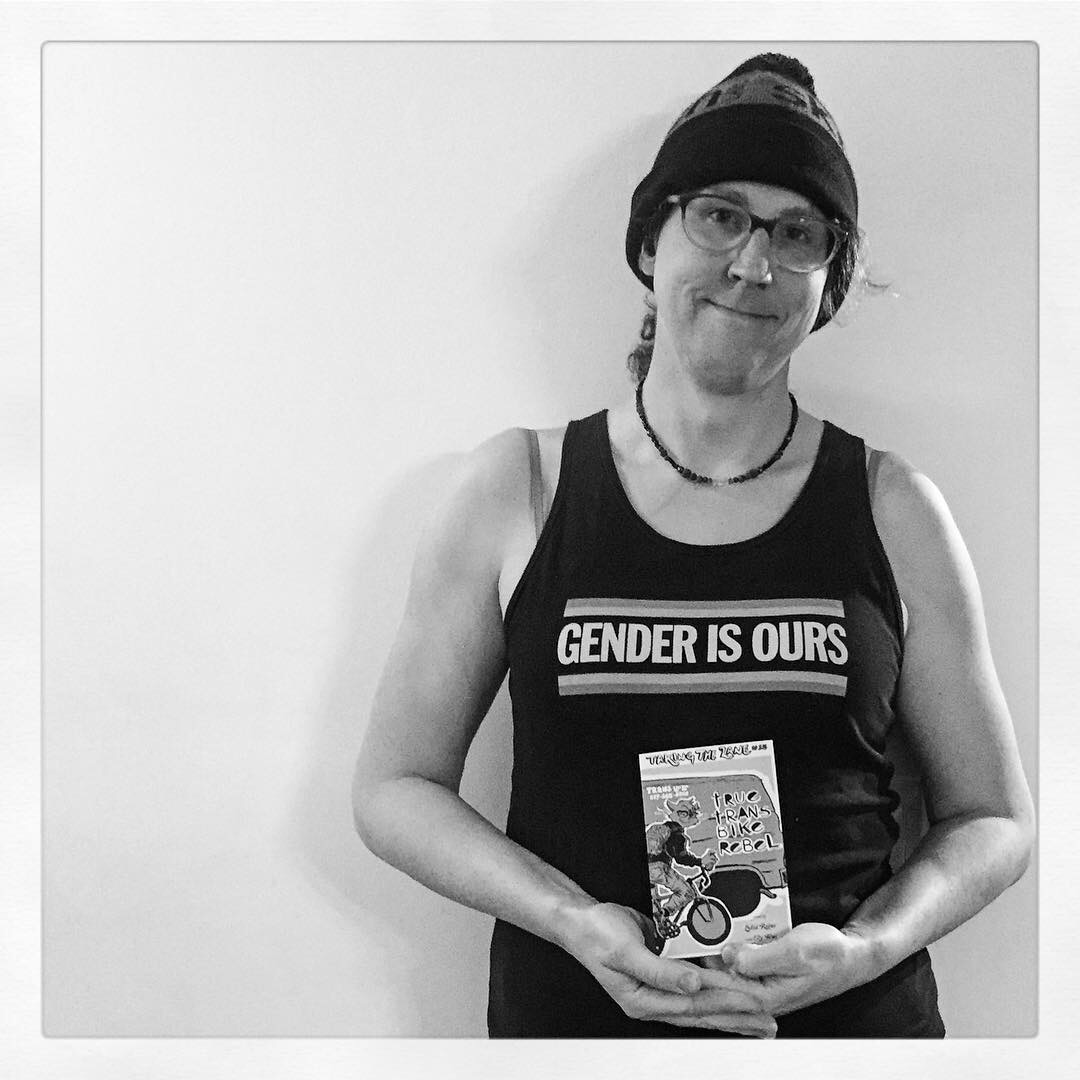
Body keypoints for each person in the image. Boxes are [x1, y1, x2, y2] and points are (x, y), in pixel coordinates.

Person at [352, 53, 1034, 1038]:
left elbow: (995, 820)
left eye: (798, 233)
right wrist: (571, 919)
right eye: (720, 216)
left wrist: (867, 948)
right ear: (649, 241)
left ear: (828, 284)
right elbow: (393, 789)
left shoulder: (893, 507)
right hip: (578, 1036)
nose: (754, 265)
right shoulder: (519, 487)